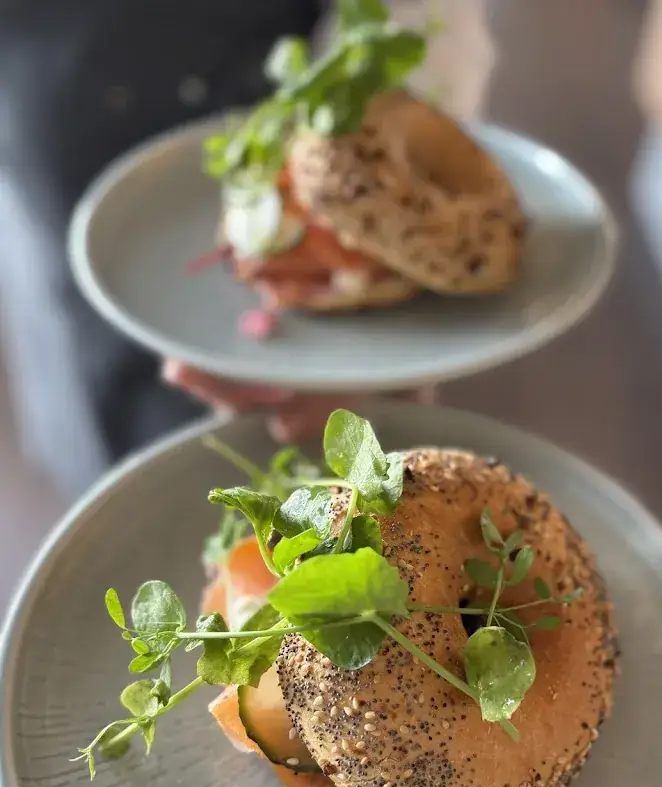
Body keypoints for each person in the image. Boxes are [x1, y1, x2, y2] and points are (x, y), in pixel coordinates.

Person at [0, 1, 491, 498]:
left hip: (331, 329)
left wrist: (371, 318)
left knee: (350, 514)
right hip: (59, 263)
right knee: (117, 505)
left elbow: (419, 22)